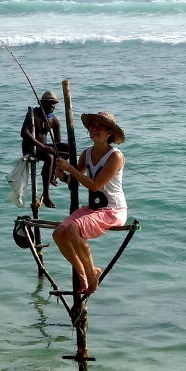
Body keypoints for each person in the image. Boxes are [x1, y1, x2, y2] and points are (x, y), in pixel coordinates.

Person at [52, 111, 127, 294]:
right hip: (93, 209)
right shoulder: (87, 153)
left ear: (110, 132)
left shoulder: (115, 156)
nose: (94, 128)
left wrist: (70, 168)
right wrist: (63, 176)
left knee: (73, 229)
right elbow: (75, 181)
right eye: (92, 125)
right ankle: (84, 275)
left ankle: (92, 271)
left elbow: (94, 185)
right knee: (59, 234)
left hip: (113, 210)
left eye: (100, 126)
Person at [20, 90, 64, 208]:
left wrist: (58, 155)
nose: (52, 106)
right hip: (31, 147)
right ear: (42, 103)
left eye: (54, 104)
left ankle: (53, 174)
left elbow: (57, 143)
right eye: (50, 103)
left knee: (66, 149)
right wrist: (43, 146)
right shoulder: (33, 114)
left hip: (44, 148)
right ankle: (47, 196)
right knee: (50, 157)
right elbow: (24, 133)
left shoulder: (54, 120)